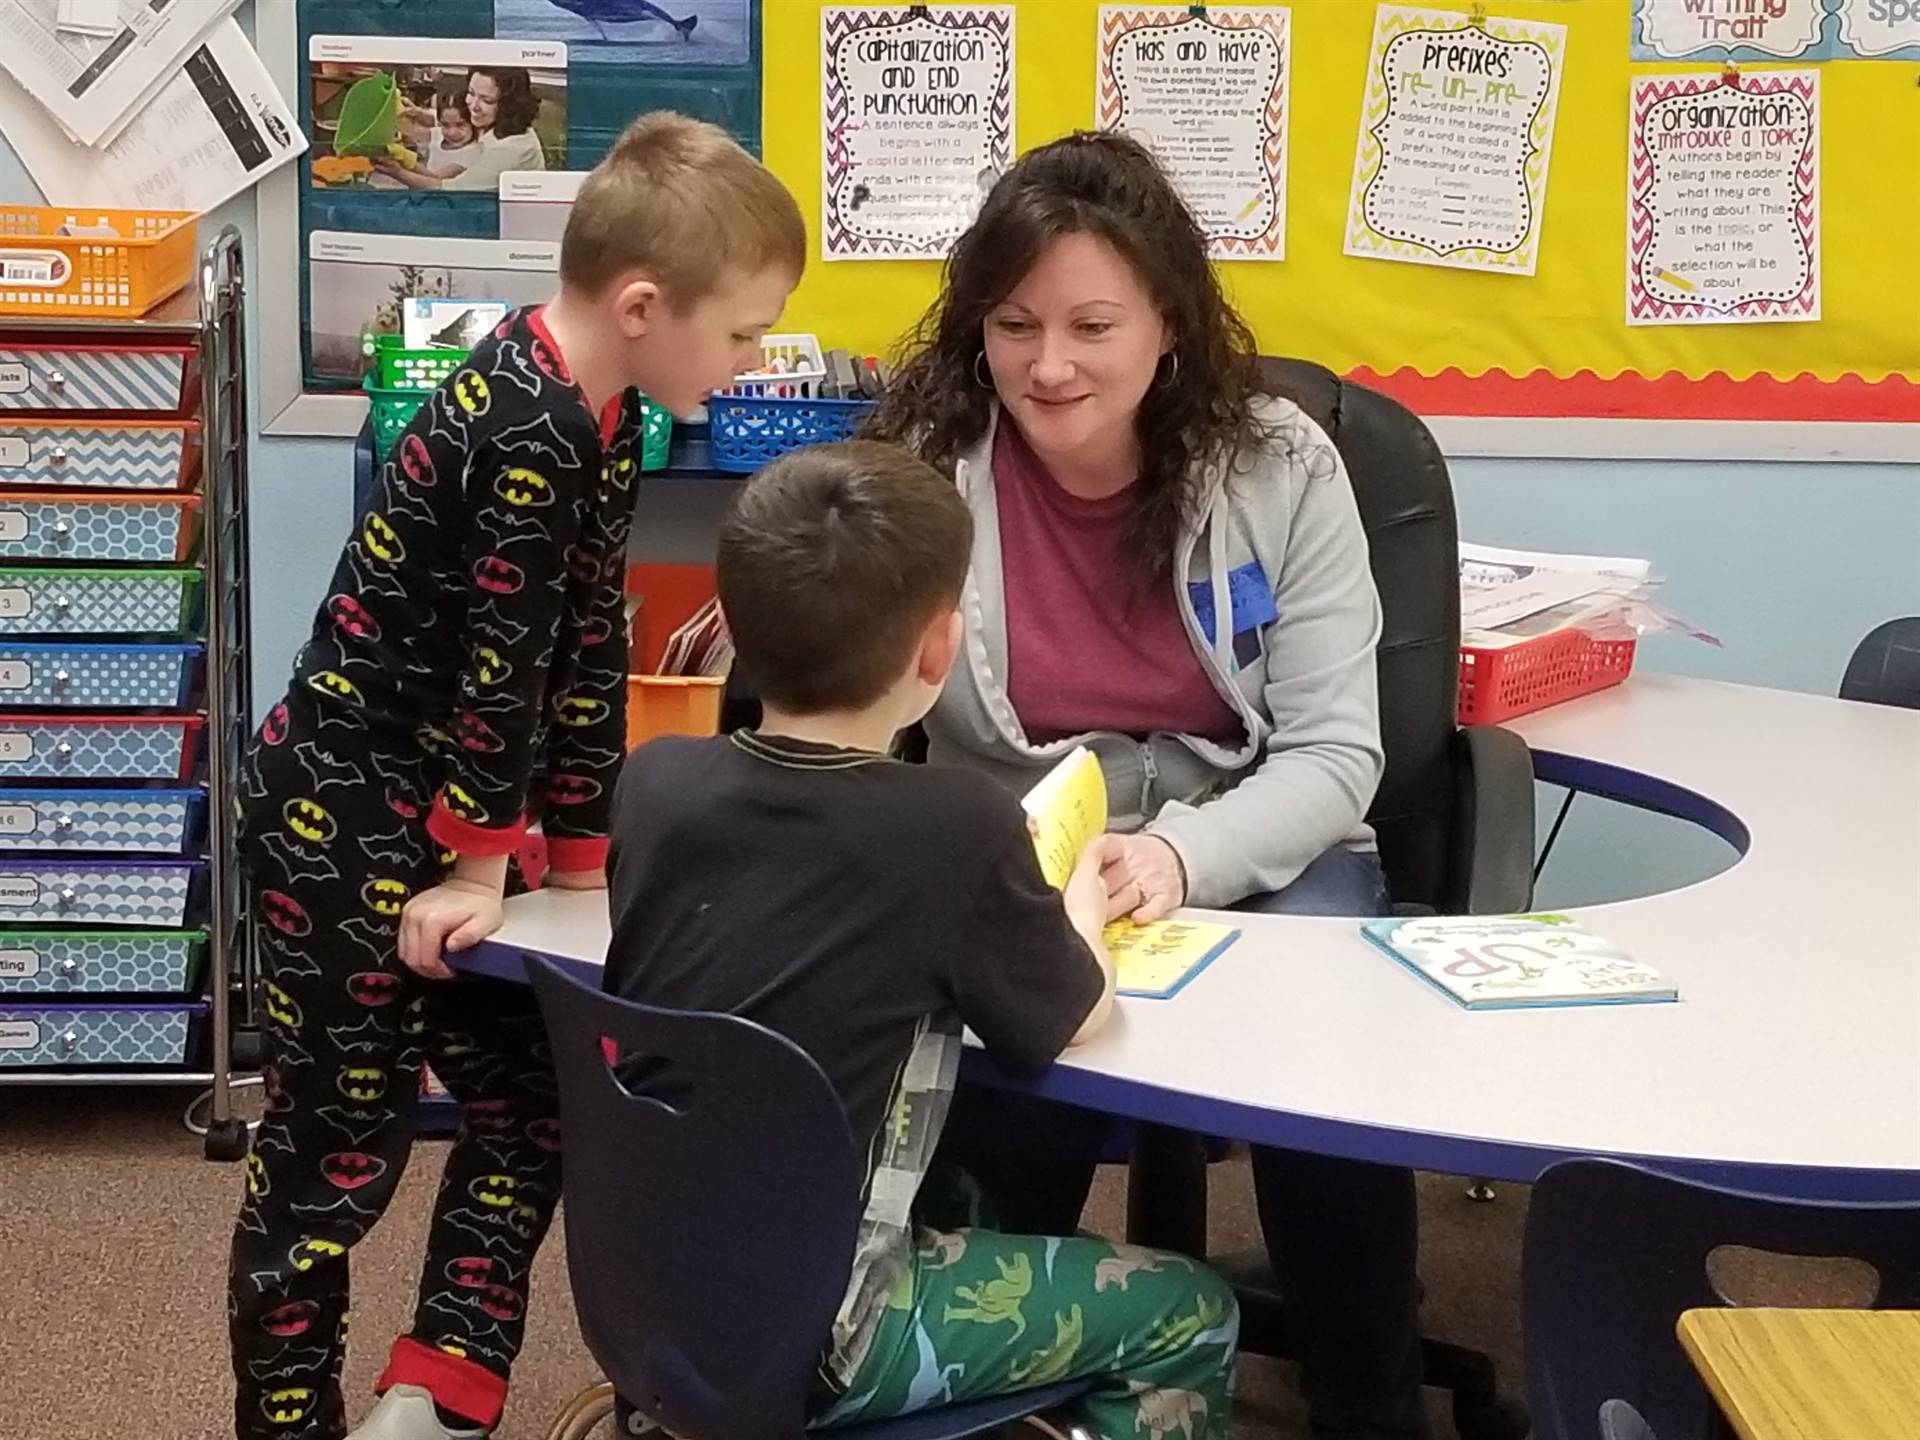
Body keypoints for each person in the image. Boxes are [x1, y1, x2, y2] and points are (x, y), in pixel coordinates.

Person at [229, 112, 806, 1440]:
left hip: (443, 816)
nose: (755, 358)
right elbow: (501, 669)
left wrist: (585, 865)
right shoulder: (536, 418)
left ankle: (436, 1395)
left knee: (537, 1102)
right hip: (345, 808)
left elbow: (584, 645)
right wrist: (483, 864)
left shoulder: (607, 414)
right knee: (333, 1162)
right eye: (743, 332)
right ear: (646, 305)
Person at [863, 132, 1427, 1439]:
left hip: (1249, 825)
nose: (1048, 366)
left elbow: (1341, 757)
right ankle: (1000, 1387)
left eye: (1092, 325)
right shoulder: (922, 467)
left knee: (1325, 1068)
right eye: (1013, 326)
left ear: (1169, 322)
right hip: (1014, 837)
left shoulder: (1280, 465)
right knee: (1016, 1062)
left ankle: (1371, 1404)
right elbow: (867, 720)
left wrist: (1182, 858)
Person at [604, 441, 1241, 1440]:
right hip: (827, 1331)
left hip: (642, 1289)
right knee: (1188, 1310)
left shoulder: (655, 785)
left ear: (726, 628)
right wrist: (1075, 892)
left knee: (982, 1191)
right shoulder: (951, 826)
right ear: (939, 652)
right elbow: (1072, 1015)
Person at [376, 68, 546, 193]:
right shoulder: (490, 118)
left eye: (486, 100)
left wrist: (397, 172)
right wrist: (418, 113)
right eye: (471, 93)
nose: (473, 106)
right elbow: (455, 119)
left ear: (510, 104)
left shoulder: (511, 148)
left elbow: (452, 190)